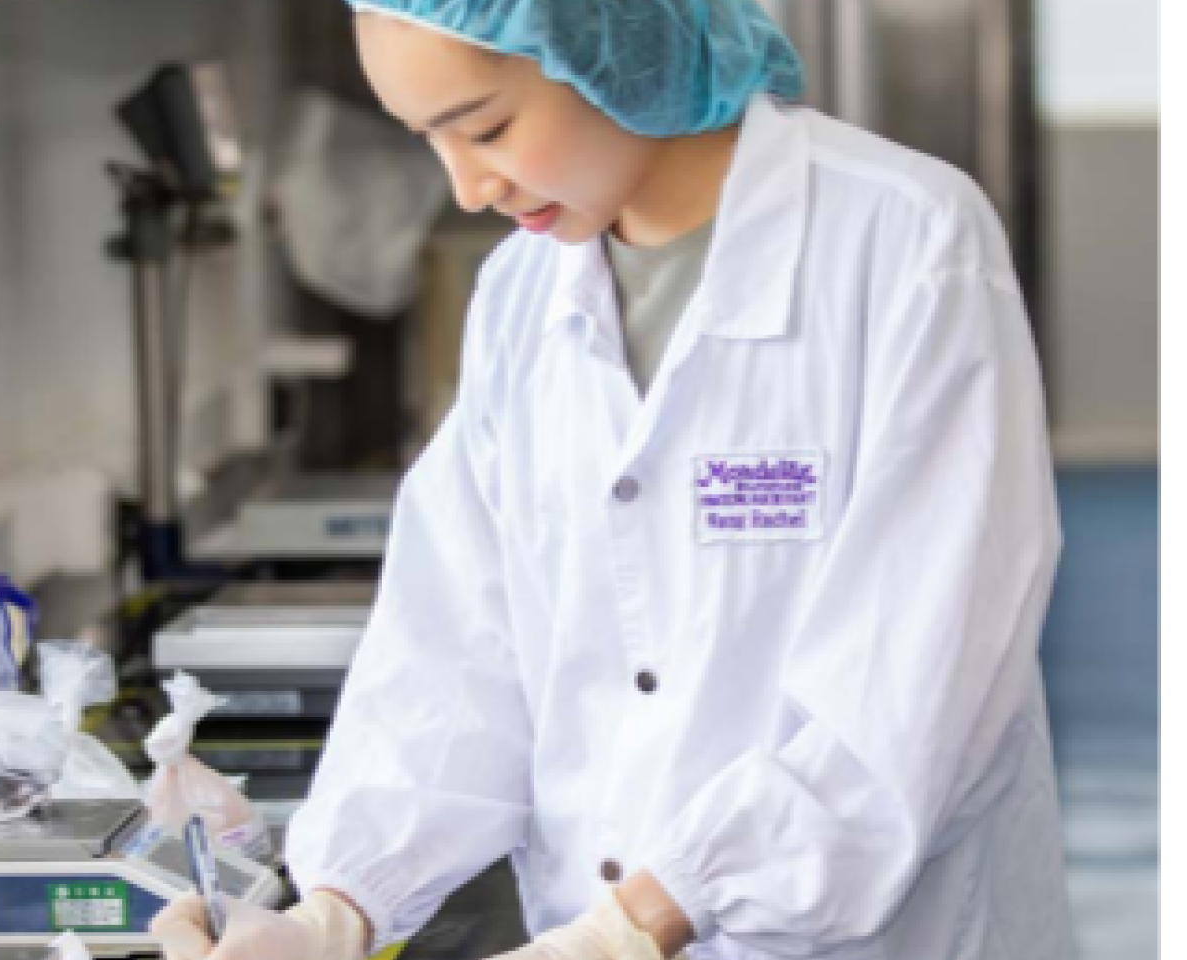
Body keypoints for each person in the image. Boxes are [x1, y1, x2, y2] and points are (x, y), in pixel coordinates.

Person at [151, 2, 1075, 959]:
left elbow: (921, 663)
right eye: (429, 140)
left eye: (486, 128)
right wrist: (337, 907)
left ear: (608, 45)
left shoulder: (904, 238)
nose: (466, 186)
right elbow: (460, 647)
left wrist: (636, 925)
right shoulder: (520, 292)